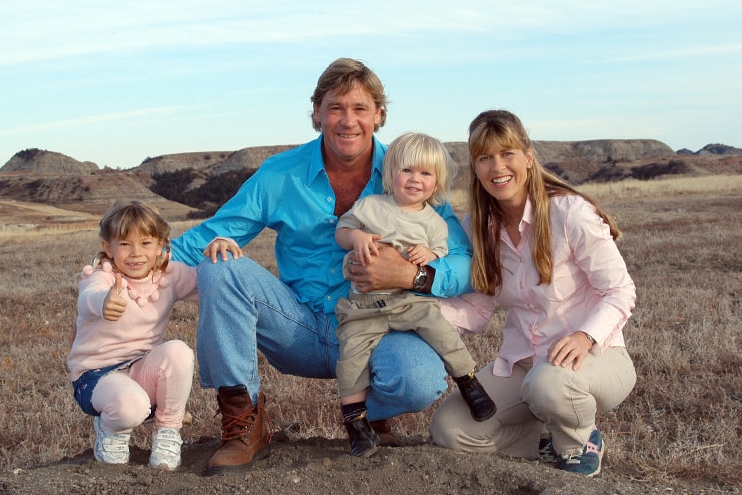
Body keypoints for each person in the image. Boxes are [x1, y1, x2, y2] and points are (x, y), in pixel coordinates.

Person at [170, 58, 473, 476]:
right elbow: (210, 234)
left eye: (360, 108)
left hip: (381, 325)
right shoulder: (280, 173)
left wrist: (412, 275)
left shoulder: (411, 171)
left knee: (420, 380)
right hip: (300, 327)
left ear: (379, 115)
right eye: (335, 108)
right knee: (219, 267)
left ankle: (366, 416)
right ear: (316, 112)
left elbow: (463, 261)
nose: (348, 121)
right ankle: (244, 423)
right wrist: (127, 261)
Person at [428, 110, 637, 478]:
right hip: (523, 364)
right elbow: (477, 310)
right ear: (475, 168)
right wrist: (417, 309)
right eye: (485, 157)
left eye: (507, 153)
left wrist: (585, 336)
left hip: (595, 357)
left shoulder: (570, 213)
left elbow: (620, 291)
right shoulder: (475, 227)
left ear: (528, 156)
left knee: (549, 384)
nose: (498, 167)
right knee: (450, 428)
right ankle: (544, 442)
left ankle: (580, 443)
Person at [334, 132, 495, 458]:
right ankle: (357, 425)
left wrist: (428, 254)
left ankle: (469, 382)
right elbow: (342, 231)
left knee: (440, 330)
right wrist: (356, 238)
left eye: (425, 173)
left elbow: (442, 252)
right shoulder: (370, 206)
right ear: (391, 172)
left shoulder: (435, 222)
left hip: (408, 300)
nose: (415, 179)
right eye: (407, 170)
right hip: (362, 305)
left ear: (437, 182)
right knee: (350, 358)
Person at [68, 200, 212, 470]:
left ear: (160, 246)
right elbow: (88, 298)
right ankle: (111, 430)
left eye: (145, 243)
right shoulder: (102, 277)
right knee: (131, 406)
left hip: (141, 370)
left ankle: (168, 432)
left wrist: (222, 251)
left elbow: (210, 283)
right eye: (125, 244)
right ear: (108, 247)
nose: (136, 253)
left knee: (179, 352)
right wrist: (104, 302)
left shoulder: (168, 276)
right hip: (96, 377)